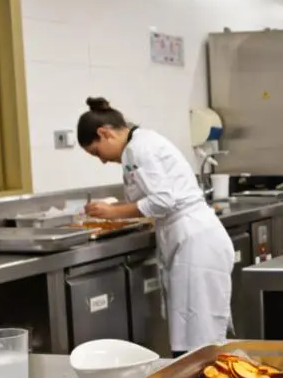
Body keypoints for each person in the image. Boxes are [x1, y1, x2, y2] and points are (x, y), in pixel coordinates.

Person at [76, 98, 234, 354]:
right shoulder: (139, 145)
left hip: (195, 240)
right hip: (190, 238)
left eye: (96, 152)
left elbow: (163, 200)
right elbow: (154, 197)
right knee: (194, 332)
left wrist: (114, 212)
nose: (102, 161)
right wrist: (115, 210)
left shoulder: (140, 149)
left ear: (104, 133)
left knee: (198, 338)